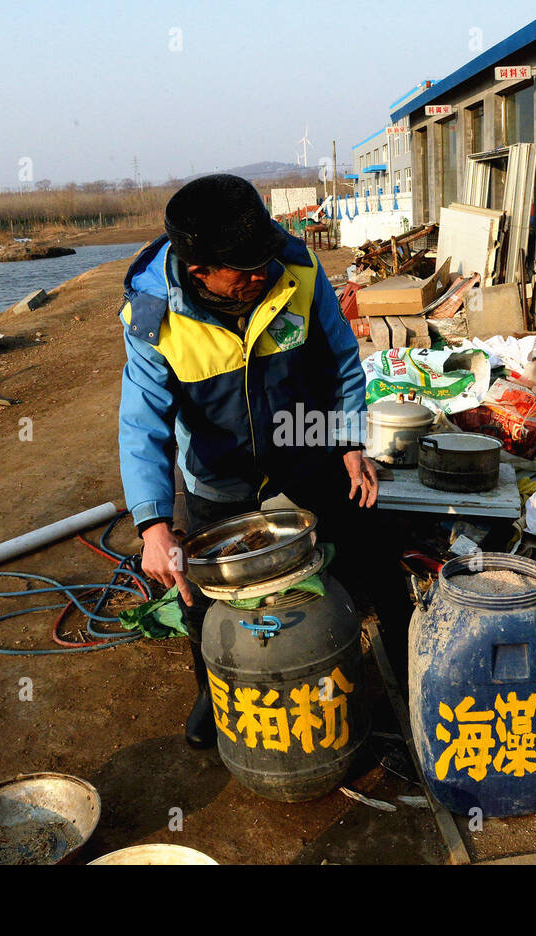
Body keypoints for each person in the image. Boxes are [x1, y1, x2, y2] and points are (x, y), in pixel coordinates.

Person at [117, 174, 378, 748]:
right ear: (199, 271)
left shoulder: (298, 268)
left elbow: (341, 361)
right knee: (202, 593)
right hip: (217, 475)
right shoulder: (155, 313)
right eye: (245, 270)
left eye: (264, 258)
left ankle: (331, 672)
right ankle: (215, 691)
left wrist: (352, 443)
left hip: (304, 454)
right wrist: (154, 524)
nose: (263, 274)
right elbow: (143, 423)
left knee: (332, 568)